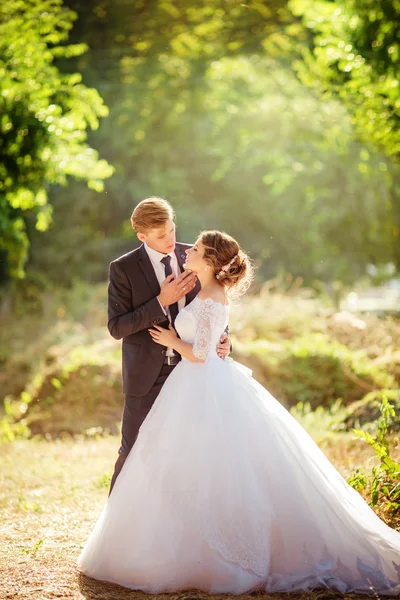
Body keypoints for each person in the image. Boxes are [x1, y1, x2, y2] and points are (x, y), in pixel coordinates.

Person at [78, 230, 400, 596]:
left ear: (212, 261)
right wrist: (213, 339)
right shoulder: (203, 289)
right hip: (194, 383)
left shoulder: (212, 296)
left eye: (196, 249)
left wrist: (172, 341)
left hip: (201, 382)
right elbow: (210, 336)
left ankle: (217, 554)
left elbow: (200, 351)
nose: (188, 249)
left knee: (213, 465)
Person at [107, 198, 231, 493]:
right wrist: (161, 301)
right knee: (133, 450)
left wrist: (225, 338)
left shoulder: (195, 257)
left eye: (172, 230)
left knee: (190, 454)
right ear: (142, 236)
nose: (171, 240)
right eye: (161, 236)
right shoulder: (123, 269)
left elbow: (215, 306)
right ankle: (116, 527)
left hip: (193, 374)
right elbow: (117, 327)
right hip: (146, 376)